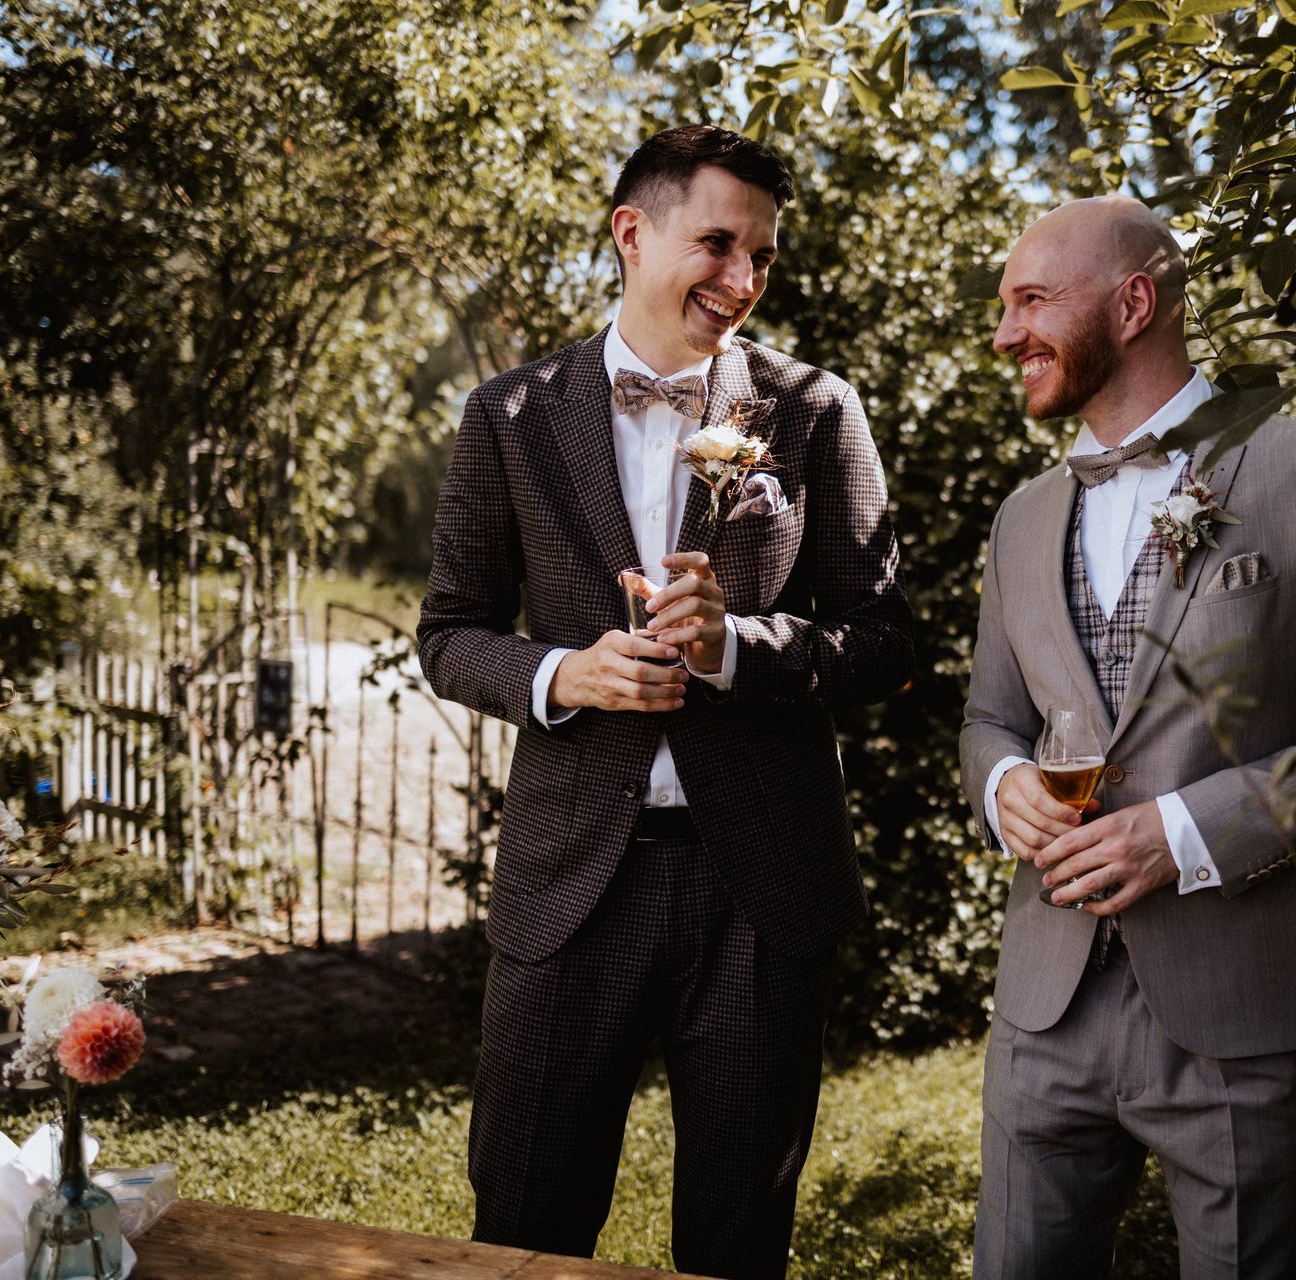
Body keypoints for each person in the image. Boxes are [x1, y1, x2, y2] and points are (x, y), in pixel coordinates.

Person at [417, 125, 912, 1280]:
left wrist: (737, 648)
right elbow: (448, 633)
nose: (743, 279)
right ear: (632, 233)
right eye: (719, 244)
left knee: (739, 1237)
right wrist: (562, 674)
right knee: (525, 1224)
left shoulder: (814, 408)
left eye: (763, 256)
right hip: (572, 882)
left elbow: (884, 639)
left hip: (761, 888)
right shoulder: (508, 415)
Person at [960, 196, 1296, 1278]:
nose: (1005, 334)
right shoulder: (1020, 518)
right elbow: (990, 718)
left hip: (1248, 1001)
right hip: (1045, 1009)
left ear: (1134, 303)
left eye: (1031, 301)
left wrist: (1184, 832)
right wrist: (1003, 785)